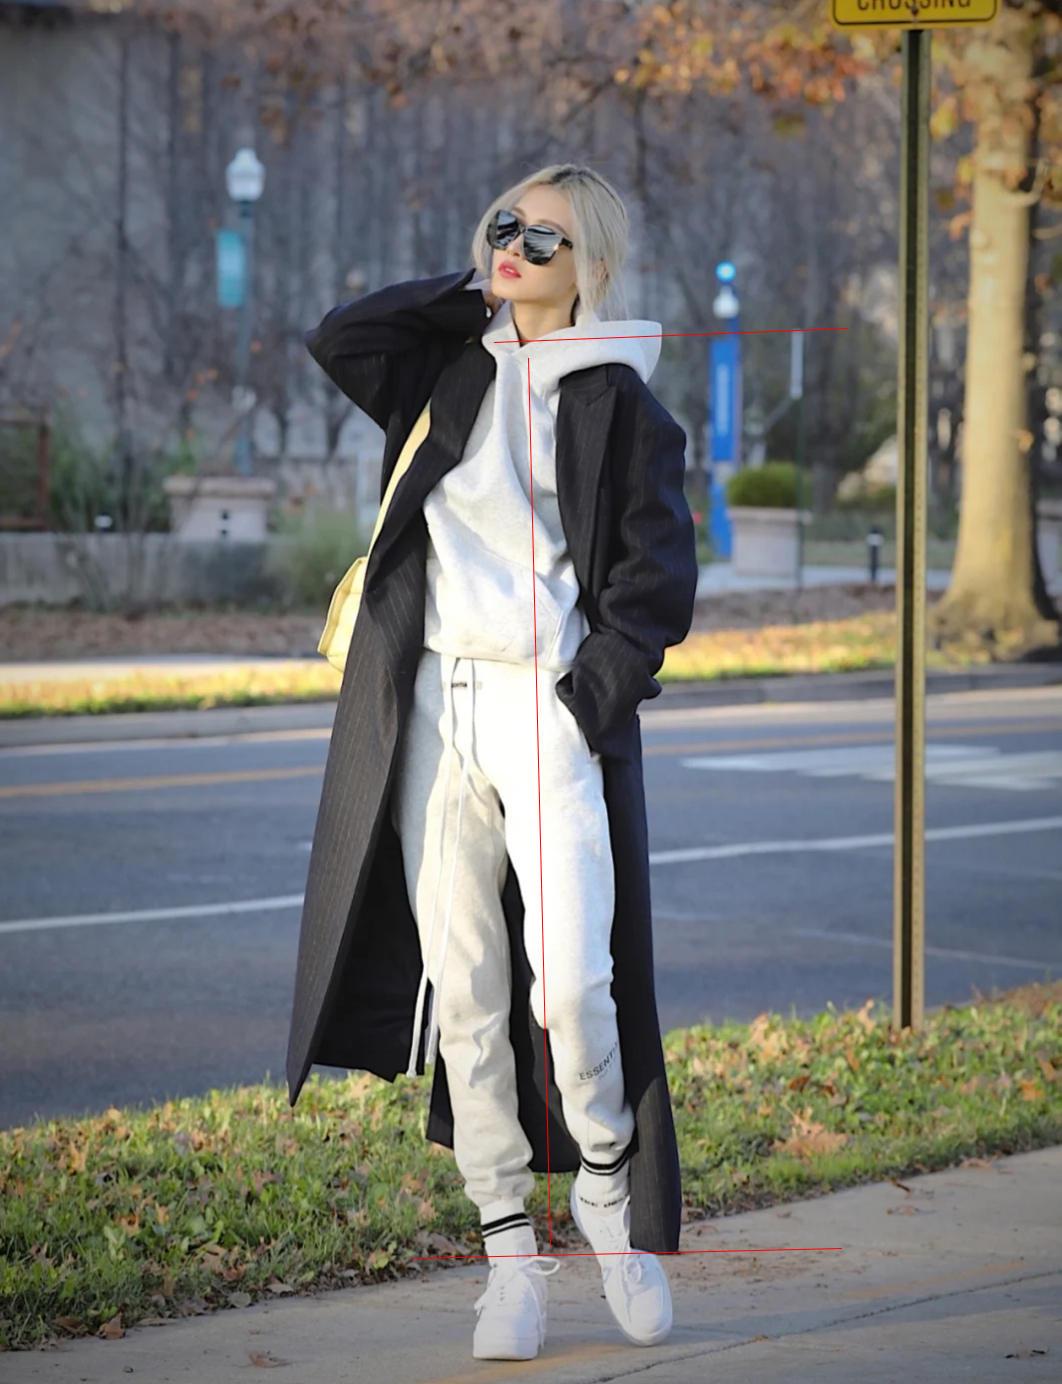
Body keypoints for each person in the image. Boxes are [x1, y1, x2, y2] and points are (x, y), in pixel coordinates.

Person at [301, 163, 696, 1363]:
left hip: (545, 705)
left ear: (595, 268)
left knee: (571, 980)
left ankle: (608, 1185)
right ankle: (507, 1254)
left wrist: (589, 694)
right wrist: (469, 287)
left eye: (544, 237)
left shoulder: (624, 402)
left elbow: (656, 584)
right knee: (466, 988)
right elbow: (341, 337)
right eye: (505, 225)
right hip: (434, 698)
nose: (517, 244)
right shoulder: (445, 367)